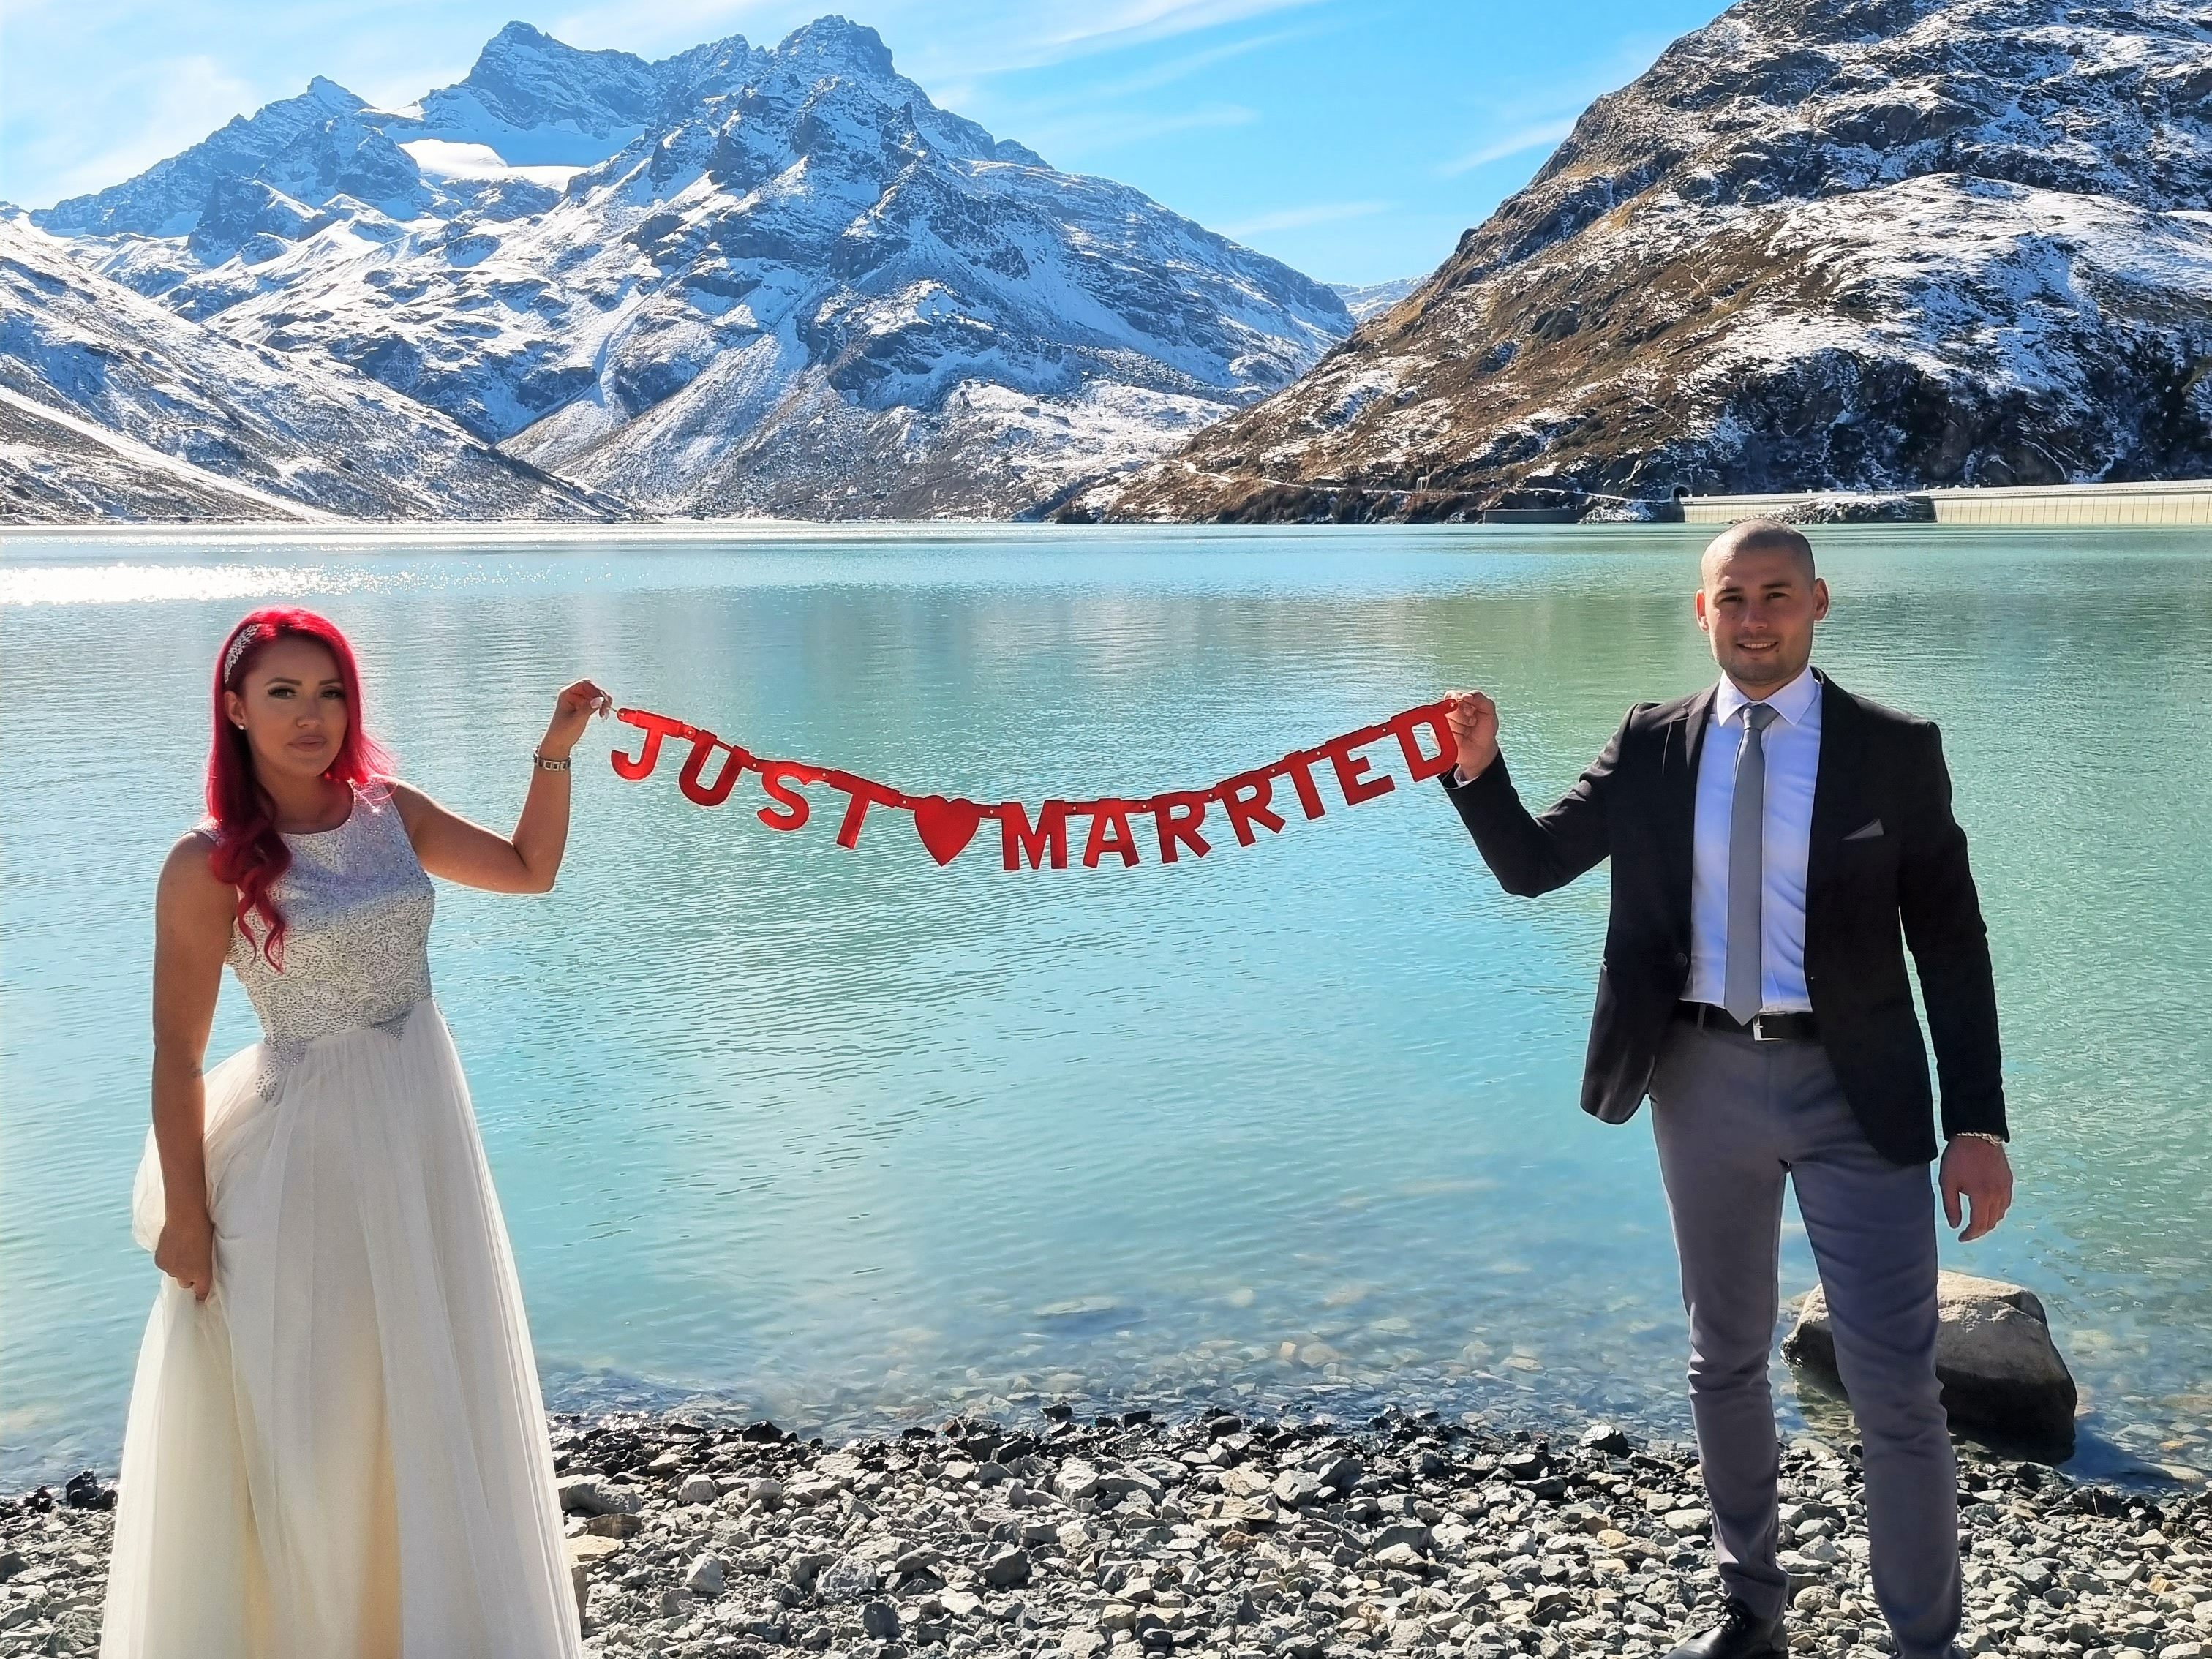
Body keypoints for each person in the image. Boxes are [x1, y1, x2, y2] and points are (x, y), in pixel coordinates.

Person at [1437, 520, 2011, 1659]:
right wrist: (1479, 772)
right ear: (1702, 612)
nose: (1756, 617)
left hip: (1863, 1095)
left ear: (1819, 602)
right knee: (1725, 1357)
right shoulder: (1652, 744)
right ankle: (1752, 1605)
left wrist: (1978, 1123)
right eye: (1734, 596)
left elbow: (1951, 942)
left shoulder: (1894, 748)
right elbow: (1532, 866)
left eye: (1778, 594)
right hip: (1697, 1078)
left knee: (1896, 1386)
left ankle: (1926, 1643)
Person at [101, 606, 610, 1658]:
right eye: (282, 694)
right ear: (234, 710)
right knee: (321, 1416)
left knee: (430, 1382)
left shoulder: (388, 810)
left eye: (329, 692)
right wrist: (186, 1217)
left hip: (424, 1128)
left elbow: (528, 869)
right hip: (307, 1158)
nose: (311, 717)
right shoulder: (207, 864)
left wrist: (553, 755)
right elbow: (174, 1055)